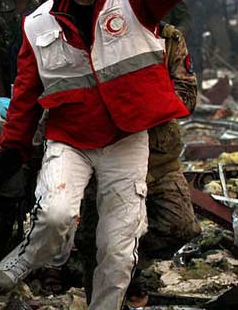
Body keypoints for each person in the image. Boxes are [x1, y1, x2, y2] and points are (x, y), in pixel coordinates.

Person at [0, 0, 193, 308]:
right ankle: (31, 253)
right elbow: (26, 93)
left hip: (126, 138)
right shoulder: (38, 24)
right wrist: (12, 150)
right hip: (71, 139)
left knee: (118, 249)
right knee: (55, 214)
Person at [74, 21, 201, 307]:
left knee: (180, 226)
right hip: (108, 153)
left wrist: (142, 102)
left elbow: (187, 98)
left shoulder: (167, 37)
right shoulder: (98, 32)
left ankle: (131, 263)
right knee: (95, 241)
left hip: (158, 158)